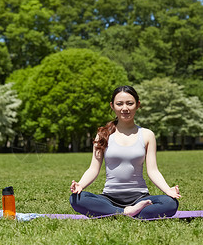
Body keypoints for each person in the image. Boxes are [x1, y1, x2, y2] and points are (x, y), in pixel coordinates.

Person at [70, 85, 181, 219]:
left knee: (170, 203)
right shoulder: (103, 134)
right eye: (119, 104)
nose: (125, 108)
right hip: (109, 197)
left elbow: (153, 170)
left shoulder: (147, 135)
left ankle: (116, 213)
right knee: (76, 199)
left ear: (137, 105)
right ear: (112, 106)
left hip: (140, 197)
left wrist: (168, 190)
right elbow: (93, 169)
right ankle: (127, 212)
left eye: (130, 103)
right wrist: (80, 185)